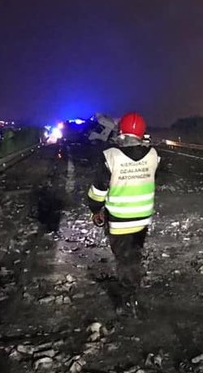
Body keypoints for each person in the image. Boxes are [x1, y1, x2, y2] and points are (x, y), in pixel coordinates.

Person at [87, 112, 160, 317]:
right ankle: (134, 289)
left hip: (119, 221)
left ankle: (129, 301)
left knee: (124, 261)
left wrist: (95, 210)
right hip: (143, 220)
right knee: (134, 255)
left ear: (121, 133)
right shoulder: (154, 155)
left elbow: (98, 192)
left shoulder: (110, 156)